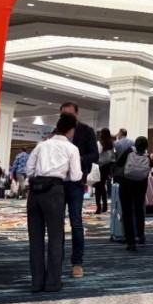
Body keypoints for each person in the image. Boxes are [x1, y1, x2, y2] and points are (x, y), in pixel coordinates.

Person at [25, 113, 81, 293]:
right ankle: (52, 283)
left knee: (35, 239)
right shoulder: (71, 148)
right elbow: (76, 176)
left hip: (35, 191)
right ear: (71, 131)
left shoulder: (41, 145)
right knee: (55, 239)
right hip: (54, 191)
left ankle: (36, 282)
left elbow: (29, 169)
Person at [59, 102, 99, 279]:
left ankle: (77, 262)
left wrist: (77, 159)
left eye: (70, 114)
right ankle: (56, 260)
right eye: (64, 115)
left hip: (76, 182)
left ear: (77, 114)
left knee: (76, 222)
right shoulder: (57, 132)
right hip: (58, 183)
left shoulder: (86, 130)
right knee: (57, 223)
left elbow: (94, 155)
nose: (67, 117)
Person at [94, 127, 115, 214]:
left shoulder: (99, 143)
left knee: (98, 187)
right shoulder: (111, 144)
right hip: (107, 167)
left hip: (99, 166)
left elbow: (96, 154)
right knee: (102, 185)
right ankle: (105, 206)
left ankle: (98, 207)